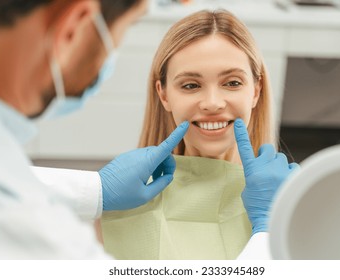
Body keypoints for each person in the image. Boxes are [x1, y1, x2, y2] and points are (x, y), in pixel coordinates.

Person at [0, 0, 189, 259]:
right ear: (74, 28)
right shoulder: (27, 226)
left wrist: (97, 190)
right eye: (129, 25)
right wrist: (260, 236)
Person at [100, 9, 299, 260]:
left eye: (232, 82)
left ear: (256, 90)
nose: (212, 103)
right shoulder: (116, 204)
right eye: (191, 85)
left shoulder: (286, 204)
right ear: (163, 94)